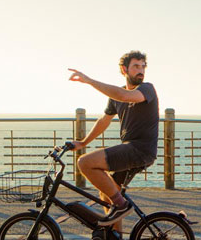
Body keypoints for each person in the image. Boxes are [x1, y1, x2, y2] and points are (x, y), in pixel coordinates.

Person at [68, 50, 159, 227]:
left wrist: (90, 81)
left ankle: (122, 205)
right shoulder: (116, 96)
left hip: (140, 149)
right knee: (106, 193)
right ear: (124, 70)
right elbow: (104, 120)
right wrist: (84, 142)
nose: (141, 71)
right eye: (136, 67)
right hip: (132, 149)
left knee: (85, 163)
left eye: (142, 67)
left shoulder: (147, 89)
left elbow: (124, 96)